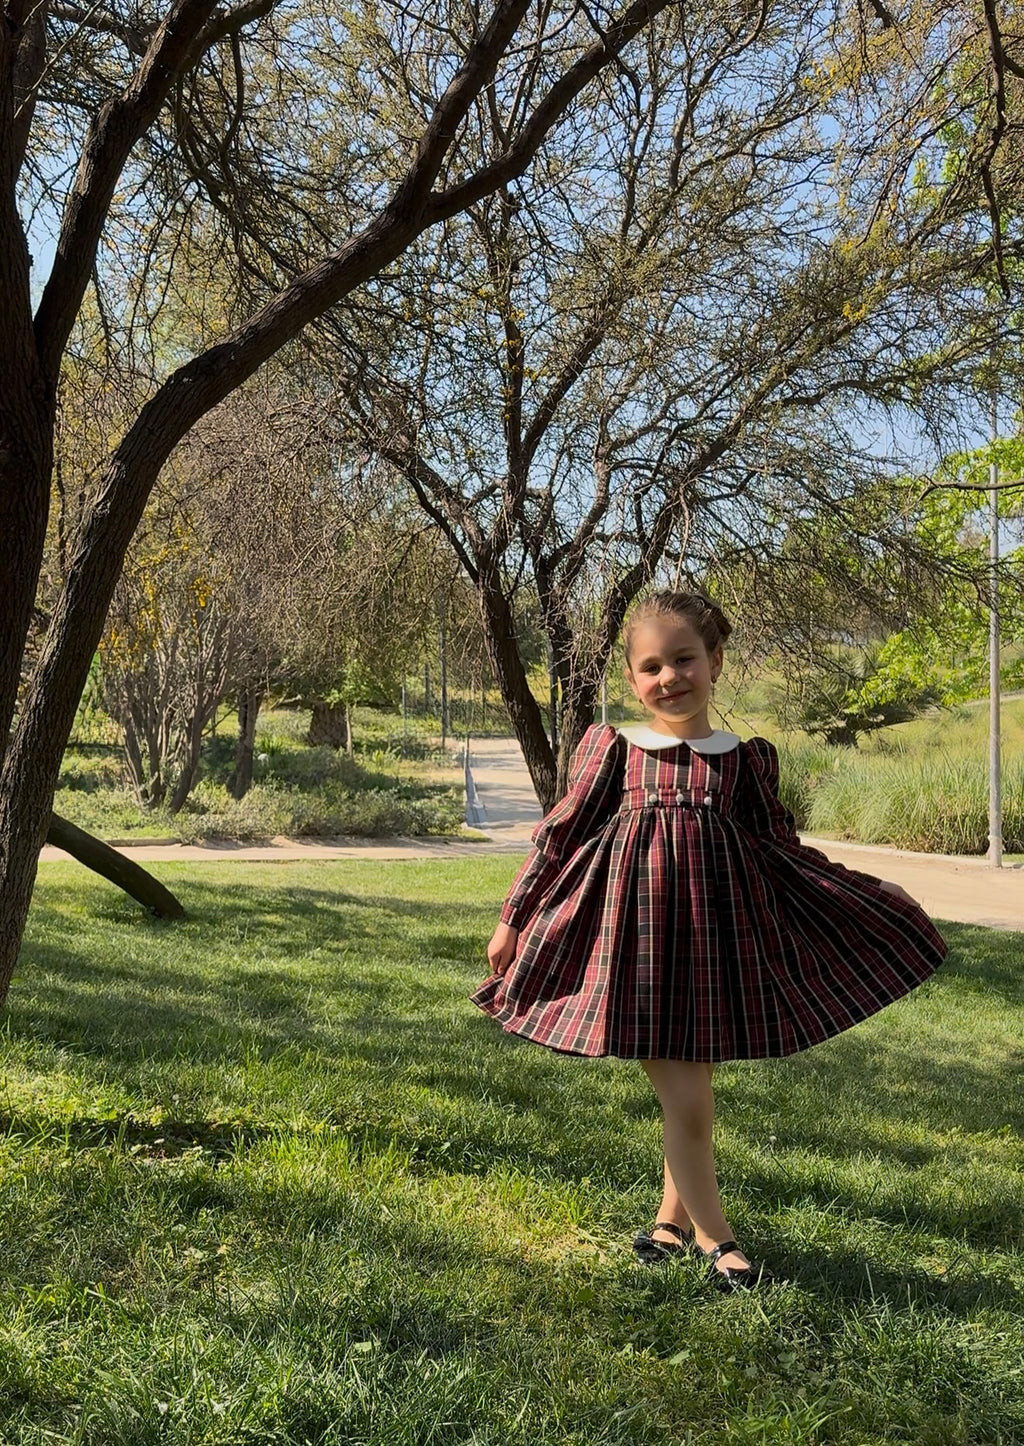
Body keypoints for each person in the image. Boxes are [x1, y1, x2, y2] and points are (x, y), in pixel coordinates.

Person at [472, 589, 947, 1291]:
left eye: (685, 659)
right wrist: (513, 915)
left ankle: (669, 1223)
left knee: (691, 1098)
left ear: (715, 660)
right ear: (631, 677)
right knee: (689, 1102)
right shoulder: (615, 750)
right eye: (651, 667)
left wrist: (874, 890)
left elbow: (784, 851)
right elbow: (559, 835)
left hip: (713, 950)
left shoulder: (744, 761)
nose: (670, 678)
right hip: (636, 953)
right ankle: (716, 1239)